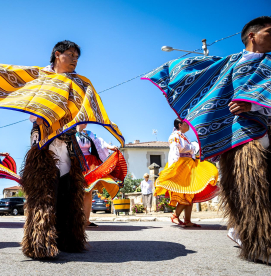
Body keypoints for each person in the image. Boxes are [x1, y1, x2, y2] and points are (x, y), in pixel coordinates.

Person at [0, 40, 124, 259]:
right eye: (70, 54)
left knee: (69, 193)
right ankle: (40, 243)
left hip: (69, 146)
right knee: (43, 196)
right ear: (57, 54)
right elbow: (9, 79)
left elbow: (87, 109)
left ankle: (69, 239)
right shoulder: (39, 77)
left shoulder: (80, 83)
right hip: (43, 146)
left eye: (77, 57)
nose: (74, 60)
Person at [142, 16, 271, 263]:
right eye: (270, 31)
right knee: (249, 191)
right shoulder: (230, 64)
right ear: (252, 36)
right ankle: (257, 243)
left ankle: (239, 232)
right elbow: (203, 83)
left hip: (266, 132)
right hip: (240, 139)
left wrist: (254, 106)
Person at [154, 119, 218, 227]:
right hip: (182, 166)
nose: (188, 125)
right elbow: (174, 151)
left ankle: (187, 220)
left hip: (189, 165)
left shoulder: (184, 137)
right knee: (185, 193)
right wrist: (172, 167)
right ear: (180, 125)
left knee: (190, 193)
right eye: (186, 123)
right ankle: (175, 215)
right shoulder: (175, 136)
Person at [76, 123, 127, 227]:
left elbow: (100, 143)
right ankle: (75, 220)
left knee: (88, 192)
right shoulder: (70, 133)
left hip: (90, 164)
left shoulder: (88, 133)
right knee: (76, 192)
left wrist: (111, 147)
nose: (86, 122)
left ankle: (86, 220)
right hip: (75, 163)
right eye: (84, 120)